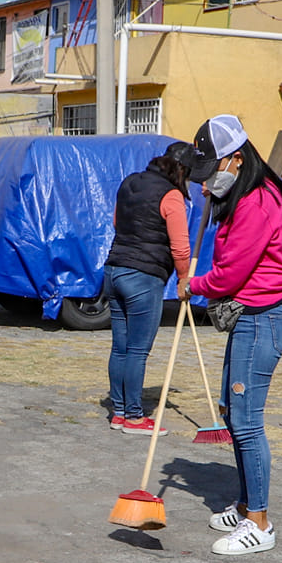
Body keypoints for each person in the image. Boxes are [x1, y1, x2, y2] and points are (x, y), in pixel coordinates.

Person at [186, 115, 282, 556]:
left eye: (212, 171)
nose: (207, 182)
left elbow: (230, 274)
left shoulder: (256, 203)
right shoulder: (243, 194)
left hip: (262, 318)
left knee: (248, 423)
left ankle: (260, 522)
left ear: (234, 159)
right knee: (232, 411)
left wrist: (191, 285)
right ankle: (247, 502)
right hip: (249, 318)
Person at [104, 141, 196, 434]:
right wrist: (184, 278)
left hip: (114, 269)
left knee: (120, 347)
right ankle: (133, 416)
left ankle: (118, 412)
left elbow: (118, 222)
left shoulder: (129, 182)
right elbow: (180, 247)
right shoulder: (171, 195)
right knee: (137, 350)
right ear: (181, 171)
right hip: (144, 276)